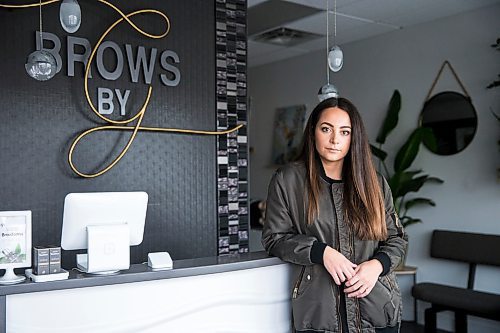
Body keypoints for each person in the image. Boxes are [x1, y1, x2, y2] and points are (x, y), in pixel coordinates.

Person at [261, 97, 407, 333]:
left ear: (354, 137)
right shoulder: (288, 180)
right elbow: (274, 239)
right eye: (326, 129)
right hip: (318, 314)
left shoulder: (375, 183)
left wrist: (378, 265)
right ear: (313, 132)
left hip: (377, 309)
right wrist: (321, 252)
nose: (334, 140)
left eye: (345, 132)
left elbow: (397, 238)